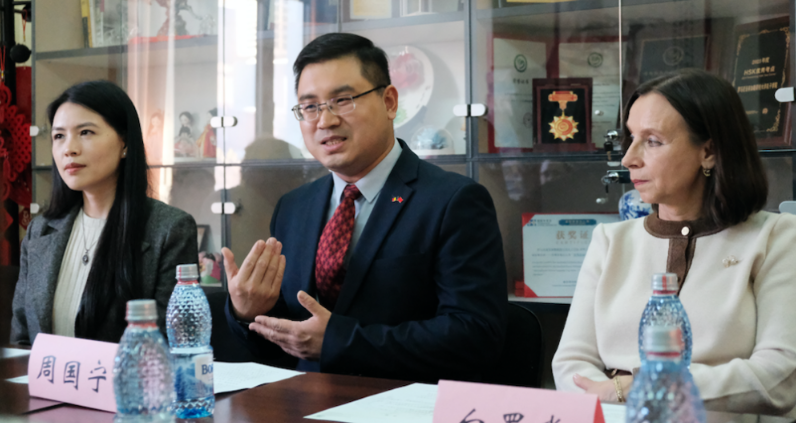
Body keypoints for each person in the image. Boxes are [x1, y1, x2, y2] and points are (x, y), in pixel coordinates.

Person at [222, 33, 507, 382]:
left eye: (342, 100)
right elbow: (282, 345)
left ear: (389, 102)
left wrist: (339, 341)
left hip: (403, 404)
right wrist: (248, 312)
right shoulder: (293, 207)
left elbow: (475, 336)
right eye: (310, 107)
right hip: (304, 401)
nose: (325, 121)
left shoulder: (453, 201)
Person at [552, 69, 796, 415]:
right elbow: (571, 363)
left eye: (652, 141)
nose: (629, 158)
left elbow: (779, 379)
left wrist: (638, 387)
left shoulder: (777, 237)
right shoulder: (610, 240)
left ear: (709, 151)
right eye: (631, 138)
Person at [11, 81, 198, 345]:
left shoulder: (170, 230)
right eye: (59, 136)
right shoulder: (39, 231)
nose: (69, 148)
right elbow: (22, 341)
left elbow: (173, 342)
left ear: (125, 142)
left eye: (85, 132)